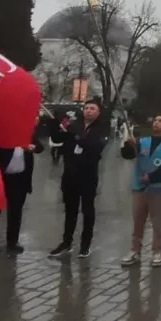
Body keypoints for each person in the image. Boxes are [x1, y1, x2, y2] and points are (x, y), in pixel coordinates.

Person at [49, 100, 110, 259]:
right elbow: (58, 139)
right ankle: (66, 242)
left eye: (93, 108)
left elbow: (94, 146)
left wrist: (74, 135)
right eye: (87, 108)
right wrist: (55, 124)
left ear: (98, 112)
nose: (89, 111)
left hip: (88, 174)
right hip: (70, 173)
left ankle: (85, 245)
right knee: (70, 210)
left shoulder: (102, 128)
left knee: (88, 210)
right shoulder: (74, 124)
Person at [0, 122, 45, 256]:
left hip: (19, 179)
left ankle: (12, 243)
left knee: (15, 212)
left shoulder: (27, 132)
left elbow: (40, 148)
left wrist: (32, 147)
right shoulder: (0, 134)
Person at [120, 114, 161, 267]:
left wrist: (152, 177)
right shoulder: (142, 142)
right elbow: (128, 155)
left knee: (157, 221)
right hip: (139, 188)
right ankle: (135, 250)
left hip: (157, 189)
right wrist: (128, 145)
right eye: (155, 120)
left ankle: (158, 251)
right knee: (138, 220)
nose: (156, 123)